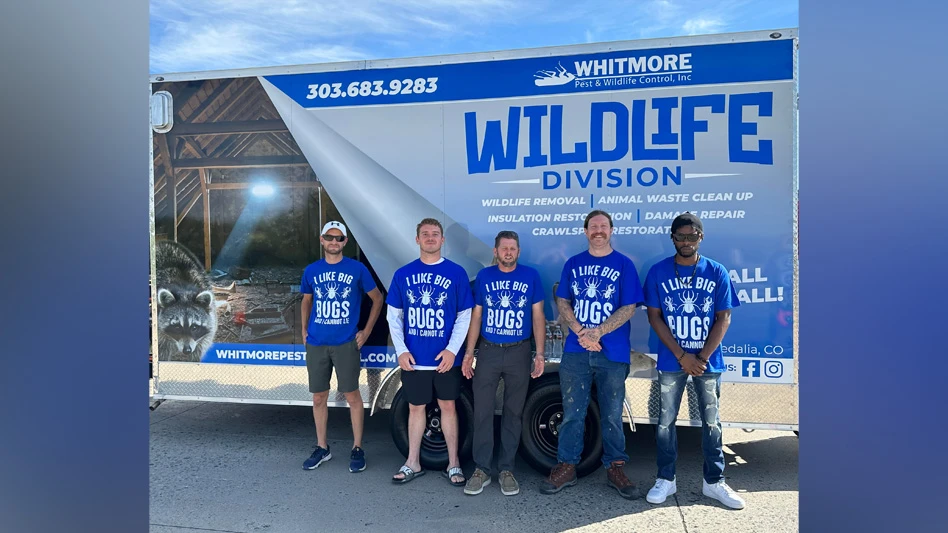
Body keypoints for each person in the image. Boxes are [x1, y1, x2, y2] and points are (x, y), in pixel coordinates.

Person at [641, 213, 745, 510]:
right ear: (672, 237)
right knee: (665, 422)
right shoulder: (658, 271)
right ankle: (665, 478)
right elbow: (654, 317)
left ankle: (714, 482)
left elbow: (723, 318)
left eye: (692, 236)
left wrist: (700, 357)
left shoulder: (717, 271)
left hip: (707, 362)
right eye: (680, 236)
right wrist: (682, 356)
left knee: (712, 423)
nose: (686, 242)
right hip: (673, 361)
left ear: (701, 237)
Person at [541, 210, 645, 500]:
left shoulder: (624, 265)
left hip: (612, 353)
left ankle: (615, 468)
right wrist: (580, 331)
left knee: (612, 415)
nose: (598, 231)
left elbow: (629, 308)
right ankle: (567, 467)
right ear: (586, 231)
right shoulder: (573, 264)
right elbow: (562, 299)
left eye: (604, 226)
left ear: (612, 230)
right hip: (576, 351)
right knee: (572, 412)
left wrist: (597, 332)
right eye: (593, 227)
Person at [386, 217, 474, 486]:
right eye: (425, 234)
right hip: (414, 359)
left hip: (446, 360)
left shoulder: (456, 273)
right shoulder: (402, 274)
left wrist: (451, 350)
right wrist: (401, 351)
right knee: (415, 408)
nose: (431, 238)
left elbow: (464, 315)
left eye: (435, 234)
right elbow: (394, 317)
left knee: (449, 406)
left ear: (442, 240)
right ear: (417, 239)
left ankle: (454, 464)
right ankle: (412, 462)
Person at [461, 230, 546, 496]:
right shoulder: (485, 277)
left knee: (513, 413)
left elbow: (538, 316)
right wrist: (468, 352)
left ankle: (507, 469)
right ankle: (482, 469)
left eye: (513, 248)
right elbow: (477, 316)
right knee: (483, 411)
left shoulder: (530, 276)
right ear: (495, 252)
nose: (508, 252)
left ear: (518, 252)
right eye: (504, 248)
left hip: (519, 351)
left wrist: (540, 353)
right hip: (488, 351)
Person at [300, 221, 384, 473]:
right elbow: (306, 300)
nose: (334, 242)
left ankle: (357, 447)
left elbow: (378, 298)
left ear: (345, 242)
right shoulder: (312, 270)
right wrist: (304, 330)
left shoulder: (357, 269)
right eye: (330, 238)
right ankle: (322, 447)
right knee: (318, 397)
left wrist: (366, 331)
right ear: (322, 239)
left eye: (339, 238)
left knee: (352, 396)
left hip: (346, 342)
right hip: (317, 343)